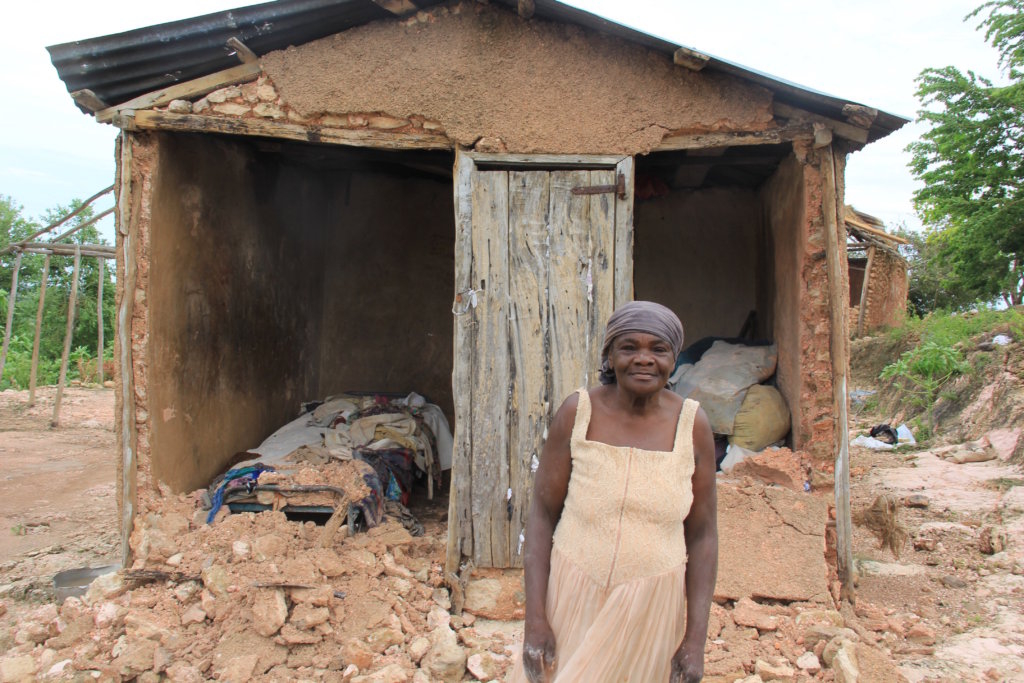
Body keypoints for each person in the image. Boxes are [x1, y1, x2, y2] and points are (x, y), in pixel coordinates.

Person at [511, 300, 718, 683]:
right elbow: (541, 516)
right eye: (629, 348)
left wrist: (695, 641)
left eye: (658, 349)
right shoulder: (579, 412)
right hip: (573, 595)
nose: (644, 359)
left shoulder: (693, 424)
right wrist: (535, 619)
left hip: (651, 609)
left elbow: (703, 535)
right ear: (609, 355)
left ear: (674, 359)